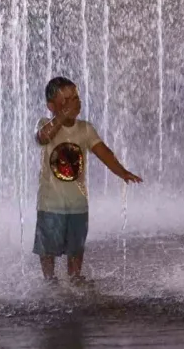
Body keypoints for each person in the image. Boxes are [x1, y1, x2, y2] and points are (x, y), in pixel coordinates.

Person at [34, 77, 142, 285]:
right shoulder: (44, 124)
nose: (74, 103)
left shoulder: (85, 129)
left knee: (76, 247)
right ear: (51, 106)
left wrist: (122, 172)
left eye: (76, 98)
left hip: (78, 202)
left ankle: (75, 277)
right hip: (49, 203)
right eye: (66, 100)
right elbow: (43, 137)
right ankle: (49, 279)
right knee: (48, 248)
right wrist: (62, 116)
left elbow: (104, 153)